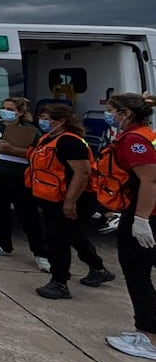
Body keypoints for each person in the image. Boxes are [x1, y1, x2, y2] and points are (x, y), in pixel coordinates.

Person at [28, 103, 116, 299]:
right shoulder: (48, 139)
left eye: (47, 118)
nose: (43, 122)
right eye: (41, 117)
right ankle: (98, 269)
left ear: (61, 121)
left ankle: (59, 282)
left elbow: (83, 173)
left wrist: (70, 201)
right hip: (52, 198)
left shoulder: (70, 142)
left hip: (74, 199)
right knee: (74, 235)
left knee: (57, 239)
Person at [99, 93, 156, 360]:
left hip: (147, 212)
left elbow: (150, 181)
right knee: (139, 272)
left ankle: (150, 338)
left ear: (126, 114)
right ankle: (145, 330)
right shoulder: (146, 133)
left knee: (137, 272)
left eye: (111, 111)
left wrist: (142, 219)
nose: (108, 116)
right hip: (143, 209)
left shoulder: (134, 140)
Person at [0, 97, 50, 272]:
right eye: (3, 107)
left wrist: (13, 149)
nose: (6, 111)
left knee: (29, 217)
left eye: (10, 109)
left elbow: (37, 155)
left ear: (19, 112)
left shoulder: (31, 131)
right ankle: (3, 244)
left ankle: (41, 254)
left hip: (20, 178)